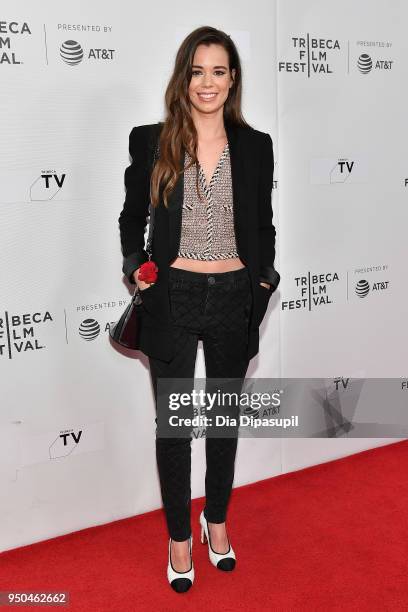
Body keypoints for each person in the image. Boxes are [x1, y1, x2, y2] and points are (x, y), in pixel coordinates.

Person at [118, 26, 280, 593]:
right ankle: (179, 538)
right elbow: (130, 218)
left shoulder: (255, 145)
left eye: (219, 71)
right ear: (183, 75)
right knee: (176, 425)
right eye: (197, 70)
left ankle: (216, 521)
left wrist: (261, 290)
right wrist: (137, 265)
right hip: (173, 298)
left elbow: (262, 226)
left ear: (232, 79)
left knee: (224, 423)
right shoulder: (152, 140)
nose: (207, 82)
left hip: (235, 295)